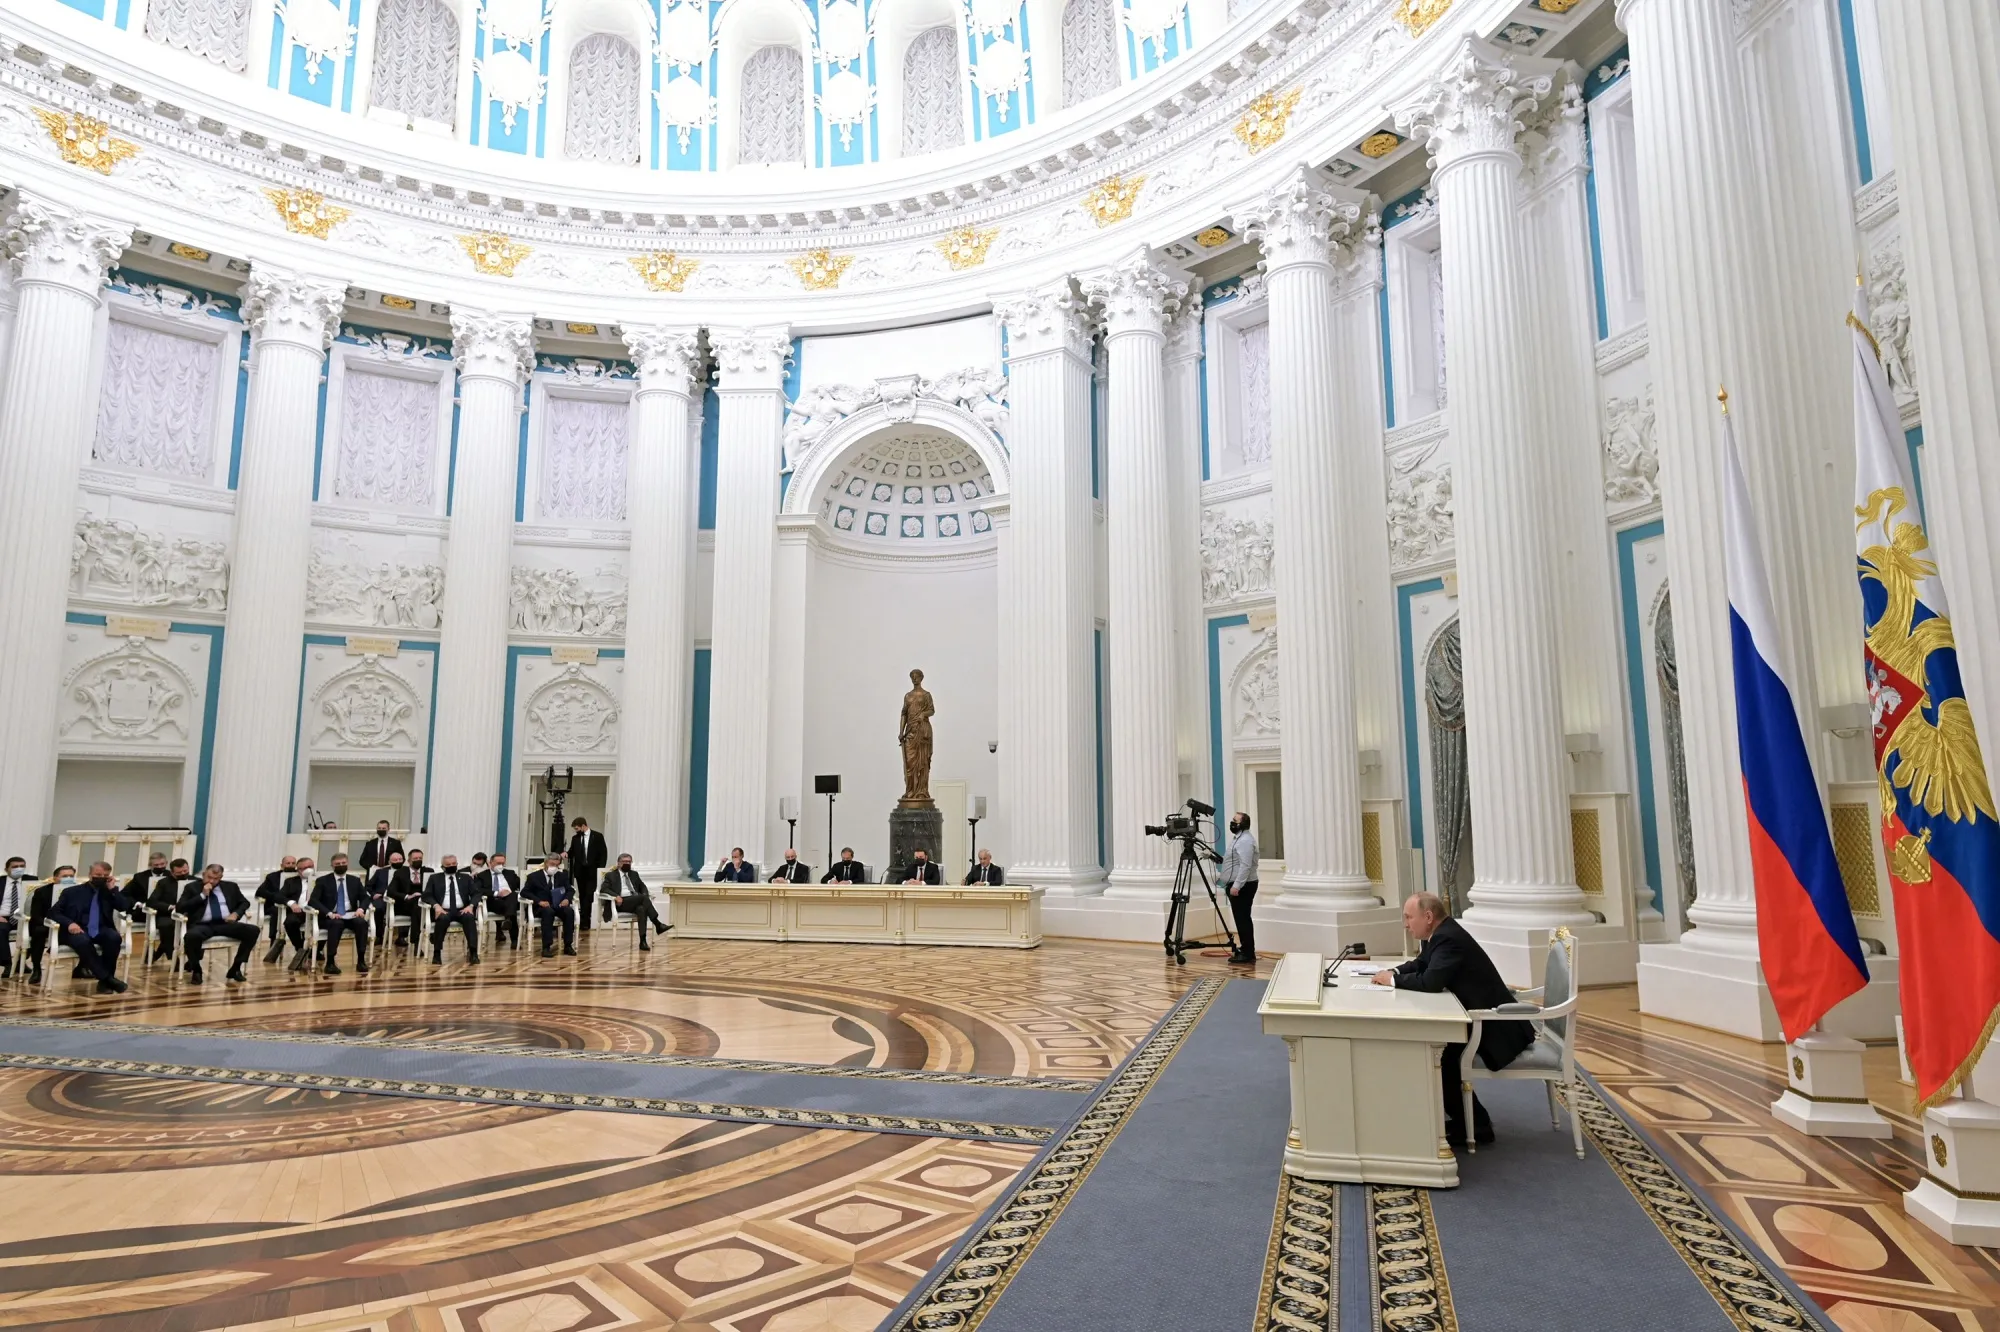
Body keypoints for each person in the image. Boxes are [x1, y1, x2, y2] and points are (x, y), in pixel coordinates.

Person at [1372, 893, 1534, 1148]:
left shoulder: (1448, 938)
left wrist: (1391, 981)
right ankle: (1467, 1120)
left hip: (1494, 1026)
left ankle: (1476, 1126)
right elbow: (1421, 965)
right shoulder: (1438, 935)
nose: (1406, 924)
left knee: (1443, 1057)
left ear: (1428, 917)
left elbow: (1431, 982)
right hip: (1475, 1016)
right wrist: (1393, 972)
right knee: (1439, 1051)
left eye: (1408, 917)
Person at [50, 862, 133, 993]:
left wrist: (113, 890)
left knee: (114, 937)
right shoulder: (71, 892)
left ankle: (104, 983)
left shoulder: (109, 892)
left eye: (105, 875)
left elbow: (124, 907)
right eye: (98, 875)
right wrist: (70, 923)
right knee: (83, 941)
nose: (101, 877)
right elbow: (54, 912)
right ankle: (108, 979)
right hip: (76, 929)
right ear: (90, 875)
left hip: (100, 928)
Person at [178, 863, 258, 984]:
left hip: (225, 924)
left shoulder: (231, 886)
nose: (212, 881)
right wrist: (202, 895)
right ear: (204, 874)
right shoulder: (192, 887)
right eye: (209, 877)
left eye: (216, 879)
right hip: (203, 925)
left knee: (253, 930)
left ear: (221, 877)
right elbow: (181, 907)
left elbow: (244, 903)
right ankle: (196, 970)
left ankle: (236, 968)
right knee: (191, 937)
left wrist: (236, 914)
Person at [310, 855, 371, 975]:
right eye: (337, 864)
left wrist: (361, 909)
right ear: (332, 865)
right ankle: (330, 963)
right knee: (336, 924)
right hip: (331, 916)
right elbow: (313, 900)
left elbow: (365, 897)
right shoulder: (323, 881)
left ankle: (361, 960)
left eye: (343, 863)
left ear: (347, 864)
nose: (341, 865)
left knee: (361, 923)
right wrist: (329, 913)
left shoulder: (354, 880)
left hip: (350, 914)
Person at [601, 853, 669, 950]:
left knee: (641, 909)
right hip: (619, 903)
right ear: (618, 863)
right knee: (642, 898)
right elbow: (604, 889)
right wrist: (616, 896)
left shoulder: (634, 874)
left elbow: (643, 887)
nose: (627, 863)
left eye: (629, 862)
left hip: (633, 901)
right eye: (624, 862)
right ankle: (658, 924)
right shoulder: (610, 875)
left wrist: (645, 894)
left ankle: (643, 942)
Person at [1217, 811, 1259, 965]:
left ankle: (1248, 953)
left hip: (1244, 886)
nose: (1232, 822)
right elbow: (1233, 861)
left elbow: (1245, 866)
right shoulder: (1238, 839)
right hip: (1238, 885)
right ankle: (1246, 949)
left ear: (1242, 824)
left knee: (1243, 920)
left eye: (1234, 820)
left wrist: (1237, 885)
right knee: (1240, 919)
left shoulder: (1245, 841)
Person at [424, 855, 480, 965]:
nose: (452, 866)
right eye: (448, 865)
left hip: (462, 910)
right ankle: (437, 953)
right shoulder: (434, 878)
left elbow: (476, 893)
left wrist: (471, 906)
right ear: (442, 866)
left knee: (469, 917)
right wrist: (436, 906)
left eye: (454, 864)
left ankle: (473, 953)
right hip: (443, 910)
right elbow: (426, 895)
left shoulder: (465, 878)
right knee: (442, 919)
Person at [136, 856, 193, 963]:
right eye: (179, 872)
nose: (183, 874)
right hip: (167, 915)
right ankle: (174, 960)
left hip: (190, 915)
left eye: (185, 871)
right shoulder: (164, 883)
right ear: (172, 873)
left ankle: (192, 961)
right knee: (166, 927)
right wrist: (170, 907)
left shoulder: (196, 881)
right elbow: (152, 901)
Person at [127, 852, 179, 961]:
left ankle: (158, 953)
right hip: (145, 912)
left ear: (166, 863)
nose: (160, 867)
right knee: (167, 926)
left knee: (169, 926)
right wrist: (137, 903)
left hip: (166, 911)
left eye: (162, 864)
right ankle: (167, 956)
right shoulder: (139, 877)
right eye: (156, 865)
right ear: (150, 865)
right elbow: (125, 894)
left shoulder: (172, 876)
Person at [527, 855, 577, 956]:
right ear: (546, 863)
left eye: (557, 865)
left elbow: (570, 890)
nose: (554, 867)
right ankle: (546, 947)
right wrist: (539, 901)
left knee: (569, 911)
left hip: (558, 904)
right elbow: (525, 892)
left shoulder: (561, 876)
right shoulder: (534, 876)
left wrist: (567, 899)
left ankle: (568, 945)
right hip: (542, 906)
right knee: (548, 912)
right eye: (552, 864)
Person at [25, 866, 66, 986]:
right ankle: (36, 969)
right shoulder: (42, 892)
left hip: (67, 925)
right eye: (64, 876)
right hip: (45, 924)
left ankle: (81, 967)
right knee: (39, 932)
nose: (68, 879)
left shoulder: (77, 891)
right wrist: (49, 923)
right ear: (55, 878)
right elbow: (36, 914)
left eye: (71, 876)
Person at [256, 856, 301, 962]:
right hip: (274, 906)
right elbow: (260, 892)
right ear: (282, 865)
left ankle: (302, 947)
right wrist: (277, 897)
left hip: (294, 908)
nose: (290, 865)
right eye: (288, 863)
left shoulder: (299, 877)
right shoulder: (272, 877)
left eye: (293, 863)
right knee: (277, 911)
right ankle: (274, 942)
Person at [274, 856, 316, 972]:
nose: (308, 870)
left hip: (317, 911)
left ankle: (315, 951)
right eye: (303, 868)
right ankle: (300, 949)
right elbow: (278, 896)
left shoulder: (322, 880)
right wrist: (291, 903)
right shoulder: (291, 881)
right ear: (298, 870)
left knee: (329, 924)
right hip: (300, 911)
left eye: (310, 867)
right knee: (290, 922)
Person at [568, 818, 608, 930]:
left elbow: (603, 853)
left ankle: (586, 919)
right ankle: (583, 920)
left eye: (577, 828)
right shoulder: (575, 838)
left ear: (583, 825)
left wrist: (600, 869)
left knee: (589, 895)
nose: (576, 830)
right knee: (582, 895)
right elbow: (572, 851)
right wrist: (566, 854)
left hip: (593, 871)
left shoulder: (597, 836)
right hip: (580, 872)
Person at [477, 853, 522, 949]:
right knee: (511, 909)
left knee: (513, 895)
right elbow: (478, 890)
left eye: (503, 863)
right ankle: (513, 938)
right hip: (493, 901)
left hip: (511, 899)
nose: (500, 866)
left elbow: (522, 885)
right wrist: (497, 893)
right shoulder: (482, 876)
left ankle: (508, 919)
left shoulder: (510, 873)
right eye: (498, 863)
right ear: (490, 863)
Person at [0, 857, 26, 978]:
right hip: (3, 916)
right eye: (15, 867)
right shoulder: (0, 881)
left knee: (39, 930)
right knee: (1, 929)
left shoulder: (32, 881)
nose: (19, 869)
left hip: (24, 916)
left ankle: (21, 961)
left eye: (22, 866)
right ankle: (7, 964)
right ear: (6, 869)